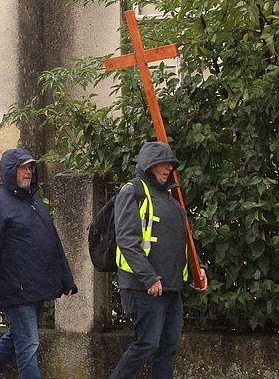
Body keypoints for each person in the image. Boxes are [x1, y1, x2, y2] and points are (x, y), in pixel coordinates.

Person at [0, 148, 78, 379]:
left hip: (36, 287)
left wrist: (66, 279)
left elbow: (53, 241)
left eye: (30, 167)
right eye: (22, 167)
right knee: (28, 343)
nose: (27, 172)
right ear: (10, 171)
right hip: (15, 288)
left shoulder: (35, 202)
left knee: (17, 338)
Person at [109, 141, 208, 379]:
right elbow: (127, 240)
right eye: (164, 163)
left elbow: (183, 241)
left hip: (170, 287)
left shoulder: (172, 201)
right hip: (144, 287)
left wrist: (199, 268)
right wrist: (149, 277)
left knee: (167, 348)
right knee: (147, 345)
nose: (169, 169)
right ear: (150, 164)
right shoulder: (132, 191)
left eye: (171, 164)